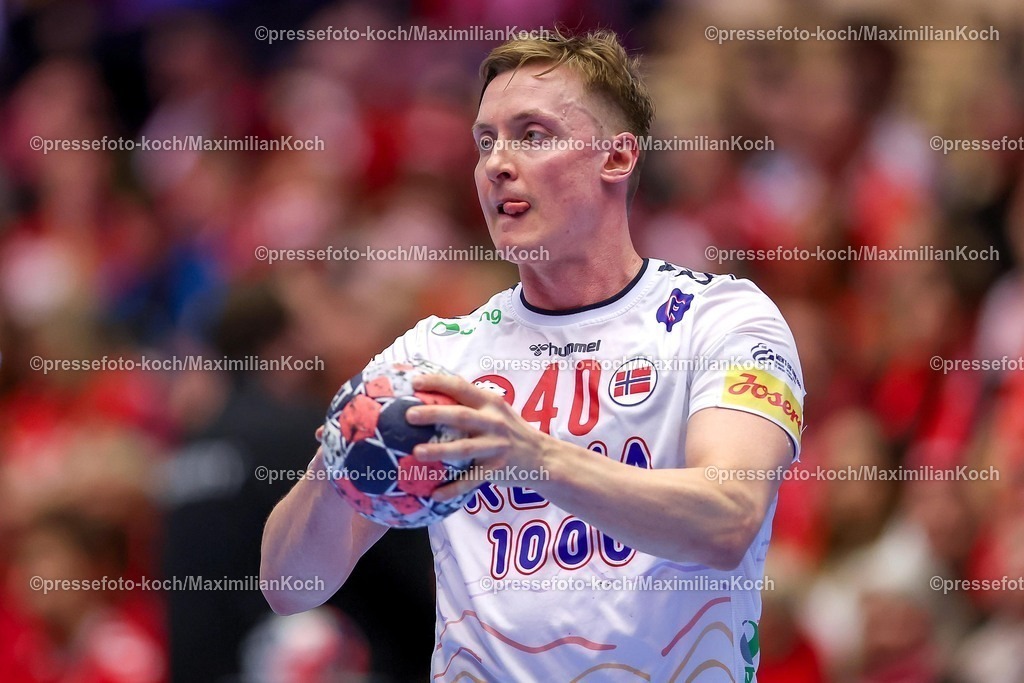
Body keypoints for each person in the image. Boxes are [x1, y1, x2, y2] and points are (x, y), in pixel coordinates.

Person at [260, 28, 806, 682]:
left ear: (617, 157)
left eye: (533, 134)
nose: (496, 162)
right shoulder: (438, 354)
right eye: (485, 141)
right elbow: (290, 586)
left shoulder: (720, 319)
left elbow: (728, 519)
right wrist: (336, 465)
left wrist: (536, 456)